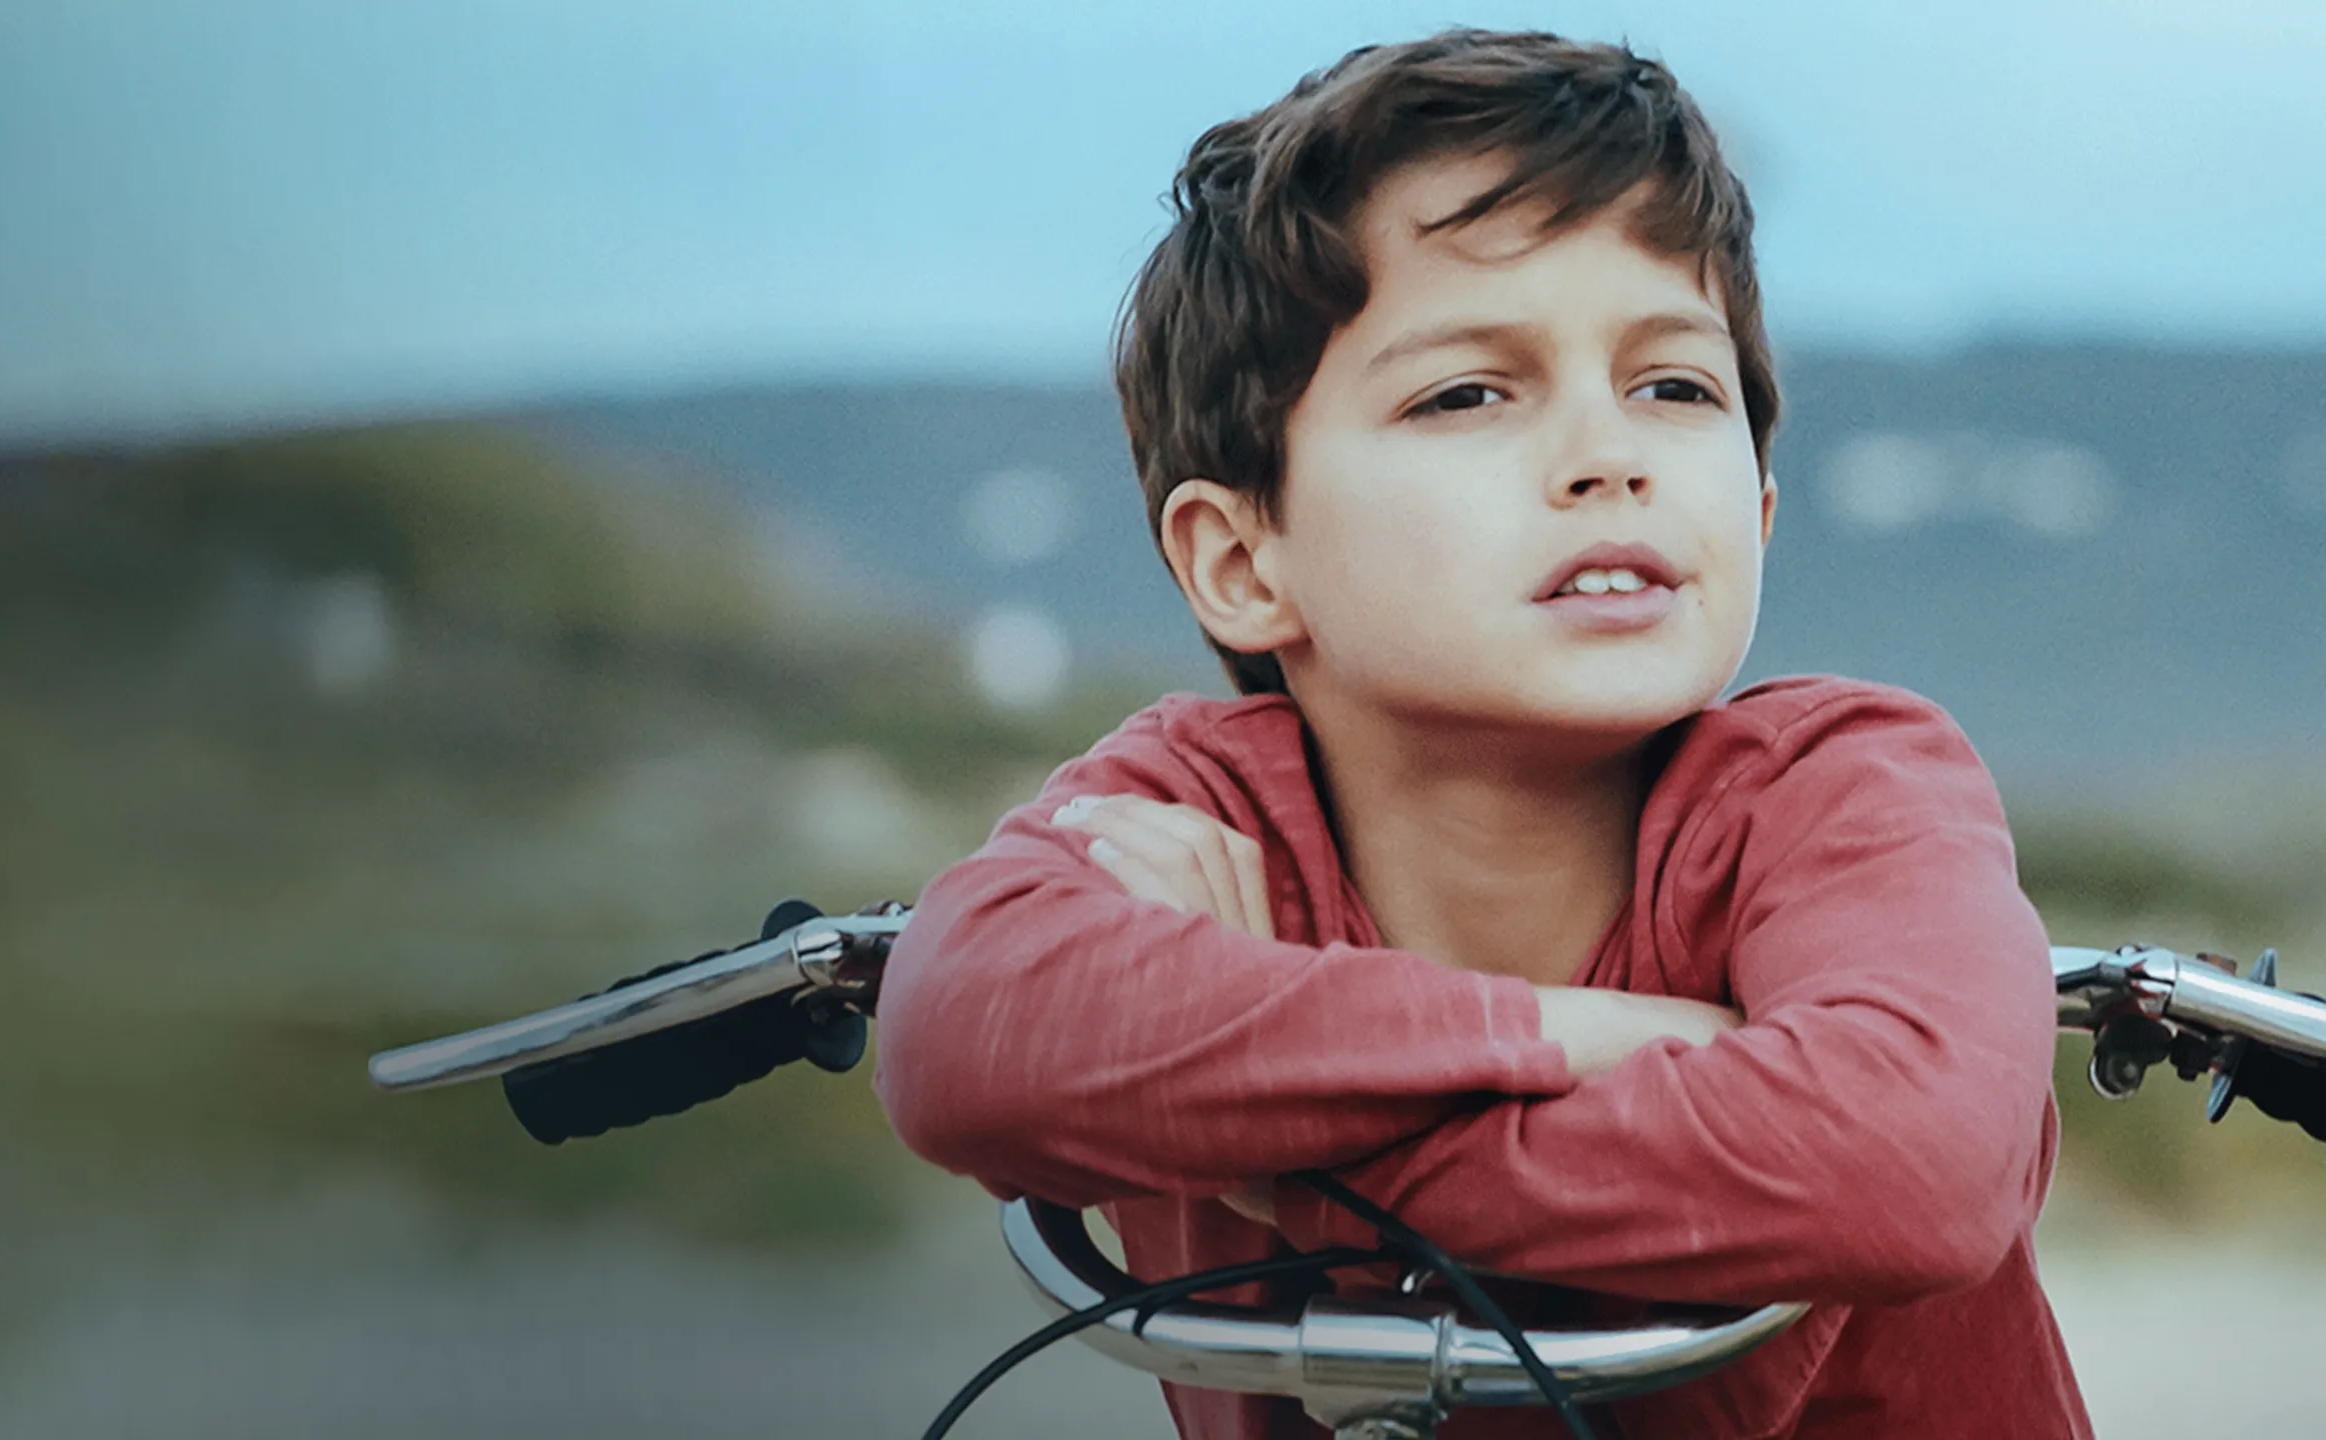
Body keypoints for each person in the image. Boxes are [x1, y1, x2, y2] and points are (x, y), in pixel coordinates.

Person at [872, 29, 2091, 1439]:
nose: (1607, 452)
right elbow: (968, 1029)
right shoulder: (1201, 813)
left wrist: (1290, 1145)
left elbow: (1907, 1166)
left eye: (1675, 387)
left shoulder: (1840, 789)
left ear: (1758, 503)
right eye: (1468, 393)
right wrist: (1594, 1039)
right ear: (1241, 560)